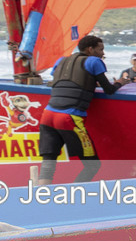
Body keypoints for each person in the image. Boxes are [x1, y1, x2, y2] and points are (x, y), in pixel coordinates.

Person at [39, 35, 119, 183]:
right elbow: (108, 89)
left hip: (47, 115)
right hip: (69, 118)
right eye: (100, 49)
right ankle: (75, 197)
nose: (103, 53)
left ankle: (42, 197)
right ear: (90, 49)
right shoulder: (94, 61)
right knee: (92, 165)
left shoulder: (61, 60)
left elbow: (56, 81)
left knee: (48, 163)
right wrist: (120, 83)